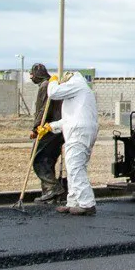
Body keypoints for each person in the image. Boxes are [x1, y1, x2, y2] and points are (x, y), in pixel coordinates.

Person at [37, 70, 99, 216]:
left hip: (79, 132)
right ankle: (73, 202)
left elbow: (53, 93)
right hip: (79, 130)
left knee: (75, 167)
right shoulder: (79, 94)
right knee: (72, 167)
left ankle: (87, 203)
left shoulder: (76, 84)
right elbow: (70, 119)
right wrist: (50, 127)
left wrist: (52, 81)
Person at [28, 63, 66, 205]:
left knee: (37, 159)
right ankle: (49, 194)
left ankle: (53, 188)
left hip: (50, 129)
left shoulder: (45, 86)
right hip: (58, 129)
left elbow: (43, 110)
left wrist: (35, 127)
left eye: (32, 74)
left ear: (38, 74)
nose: (31, 77)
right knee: (48, 160)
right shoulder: (52, 84)